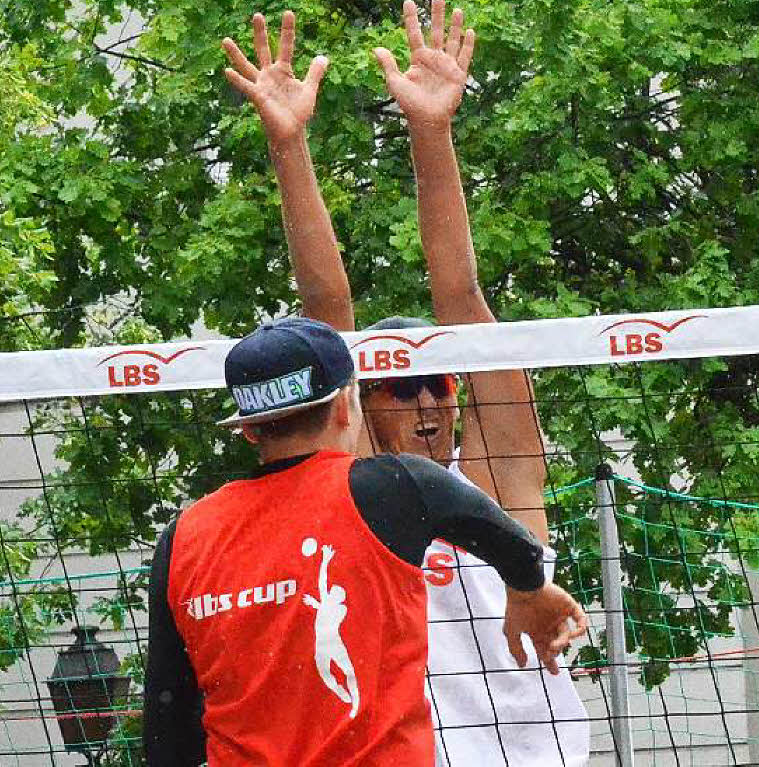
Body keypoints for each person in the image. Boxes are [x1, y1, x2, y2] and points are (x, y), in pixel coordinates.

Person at [221, 4, 591, 764]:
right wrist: (287, 143)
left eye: (436, 383)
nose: (426, 400)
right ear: (357, 405)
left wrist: (432, 130)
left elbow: (460, 299)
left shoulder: (497, 478)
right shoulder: (357, 486)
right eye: (399, 386)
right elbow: (330, 314)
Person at [142, 317, 587, 765]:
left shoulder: (182, 538)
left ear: (249, 429)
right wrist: (528, 585)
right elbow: (492, 527)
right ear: (345, 405)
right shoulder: (391, 489)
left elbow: (167, 722)